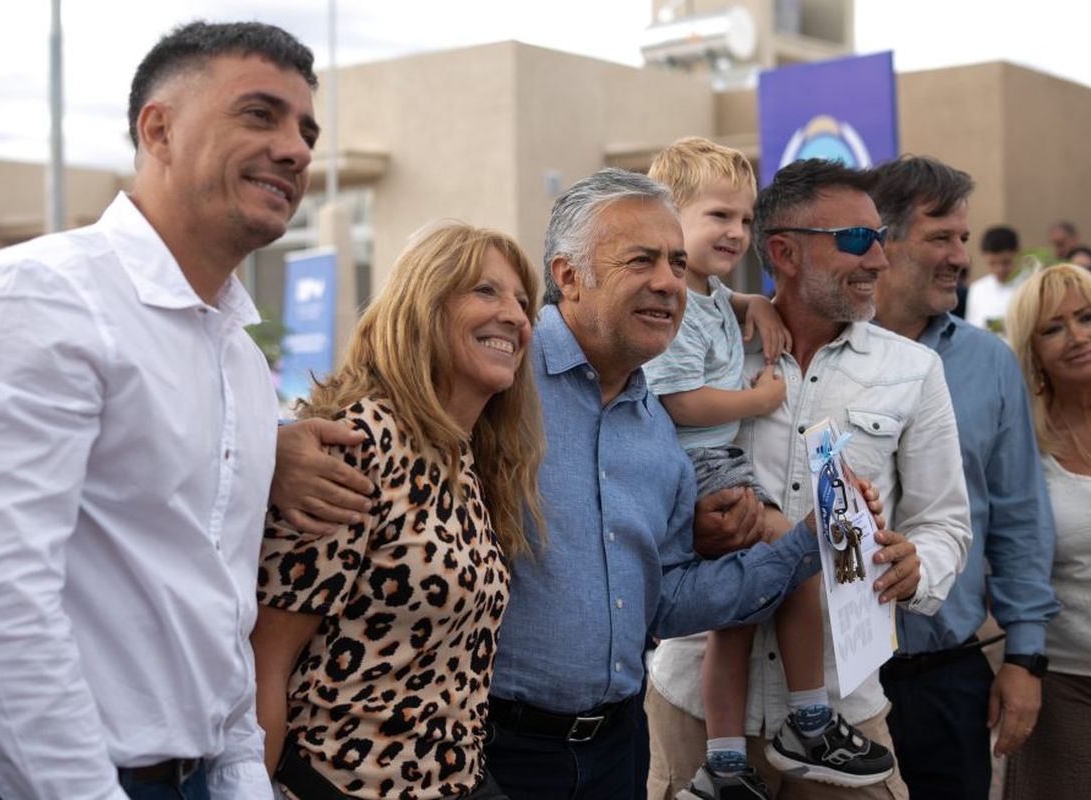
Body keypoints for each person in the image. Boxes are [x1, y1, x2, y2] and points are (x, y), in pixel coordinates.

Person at [271, 167, 923, 800]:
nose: (670, 284)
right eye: (642, 261)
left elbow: (666, 601)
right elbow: (367, 419)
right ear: (568, 277)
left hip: (617, 750)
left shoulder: (660, 436)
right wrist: (275, 448)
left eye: (675, 262)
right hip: (470, 755)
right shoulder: (493, 375)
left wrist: (809, 541)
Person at [0, 21, 319, 799]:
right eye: (261, 115)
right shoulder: (37, 298)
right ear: (159, 129)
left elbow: (217, 615)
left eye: (306, 130)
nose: (296, 149)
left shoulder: (243, 364)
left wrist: (241, 776)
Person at [646, 158, 971, 800]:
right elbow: (627, 491)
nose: (878, 259)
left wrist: (916, 566)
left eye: (878, 238)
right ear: (784, 252)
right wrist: (686, 529)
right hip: (693, 710)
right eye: (856, 239)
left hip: (844, 710)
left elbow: (945, 524)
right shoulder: (697, 350)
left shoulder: (915, 370)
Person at [252, 222, 543, 800]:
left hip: (459, 783)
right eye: (486, 291)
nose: (515, 315)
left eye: (521, 300)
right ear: (425, 308)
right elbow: (267, 665)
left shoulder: (466, 458)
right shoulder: (360, 448)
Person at [869, 155, 1060, 800]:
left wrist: (1025, 658)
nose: (959, 257)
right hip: (828, 682)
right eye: (939, 237)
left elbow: (1017, 517)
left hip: (948, 676)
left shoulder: (988, 363)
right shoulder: (811, 351)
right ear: (882, 241)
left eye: (964, 240)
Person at [1003, 263, 1091, 800]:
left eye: (1088, 317)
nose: (1078, 336)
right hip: (1062, 680)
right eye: (1053, 327)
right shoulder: (1022, 441)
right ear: (1032, 350)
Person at [964, 225, 1025, 334]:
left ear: (1017, 253)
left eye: (1006, 262)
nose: (999, 269)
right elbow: (972, 329)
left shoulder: (1030, 286)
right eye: (992, 263)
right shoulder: (977, 289)